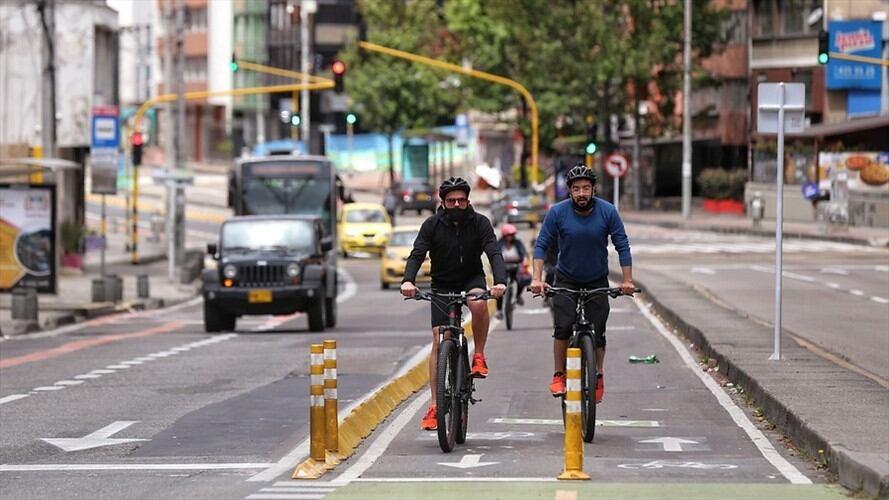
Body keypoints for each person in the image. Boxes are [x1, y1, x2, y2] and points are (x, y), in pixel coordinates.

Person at [401, 177, 507, 430]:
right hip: (442, 283)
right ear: (443, 202)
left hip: (472, 278)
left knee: (478, 304)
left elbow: (493, 252)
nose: (457, 204)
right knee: (440, 339)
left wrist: (500, 282)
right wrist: (408, 280)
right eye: (451, 201)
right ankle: (435, 405)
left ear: (468, 200)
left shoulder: (480, 223)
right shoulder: (431, 225)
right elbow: (417, 254)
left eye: (461, 200)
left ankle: (478, 355)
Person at [529, 164, 634, 402]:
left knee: (599, 331)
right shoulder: (557, 212)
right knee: (562, 327)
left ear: (593, 189)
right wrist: (537, 278)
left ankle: (598, 373)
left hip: (597, 278)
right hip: (566, 278)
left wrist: (627, 280)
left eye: (586, 188)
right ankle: (559, 374)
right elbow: (541, 245)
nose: (581, 194)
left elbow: (622, 245)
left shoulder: (608, 211)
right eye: (576, 189)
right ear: (569, 191)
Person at [495, 223, 528, 319]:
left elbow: (524, 254)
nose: (510, 237)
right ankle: (499, 310)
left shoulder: (518, 243)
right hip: (503, 266)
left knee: (522, 279)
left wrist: (525, 261)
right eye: (508, 235)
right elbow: (495, 255)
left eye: (512, 235)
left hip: (516, 266)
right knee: (499, 287)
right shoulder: (500, 243)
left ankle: (518, 295)